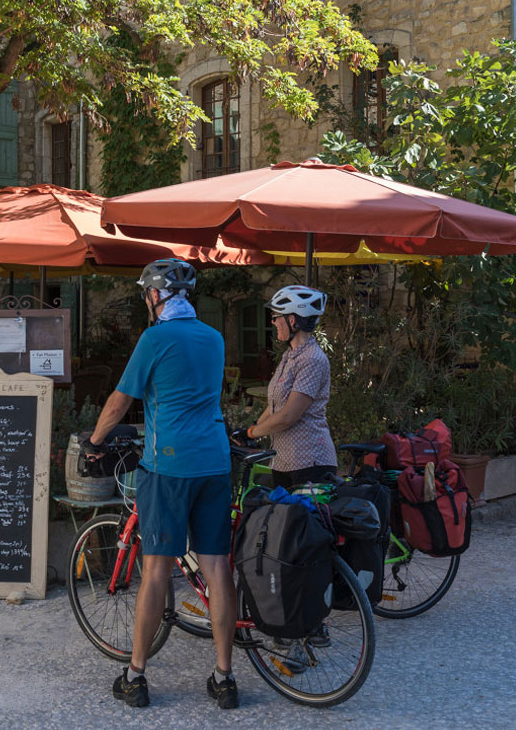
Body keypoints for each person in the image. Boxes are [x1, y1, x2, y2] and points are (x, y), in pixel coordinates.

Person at [81, 258, 238, 710]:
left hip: (168, 466)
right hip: (214, 462)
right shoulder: (214, 338)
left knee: (154, 571)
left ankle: (135, 675)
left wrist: (95, 440)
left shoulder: (154, 338)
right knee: (216, 568)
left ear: (155, 296)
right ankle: (224, 678)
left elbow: (119, 401)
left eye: (146, 295)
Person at [231, 285, 335, 492]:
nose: (273, 322)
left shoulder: (312, 359)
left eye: (276, 317)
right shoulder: (290, 356)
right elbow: (275, 405)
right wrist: (250, 429)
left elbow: (289, 415)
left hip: (309, 462)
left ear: (292, 320)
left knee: (300, 523)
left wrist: (253, 433)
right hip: (284, 460)